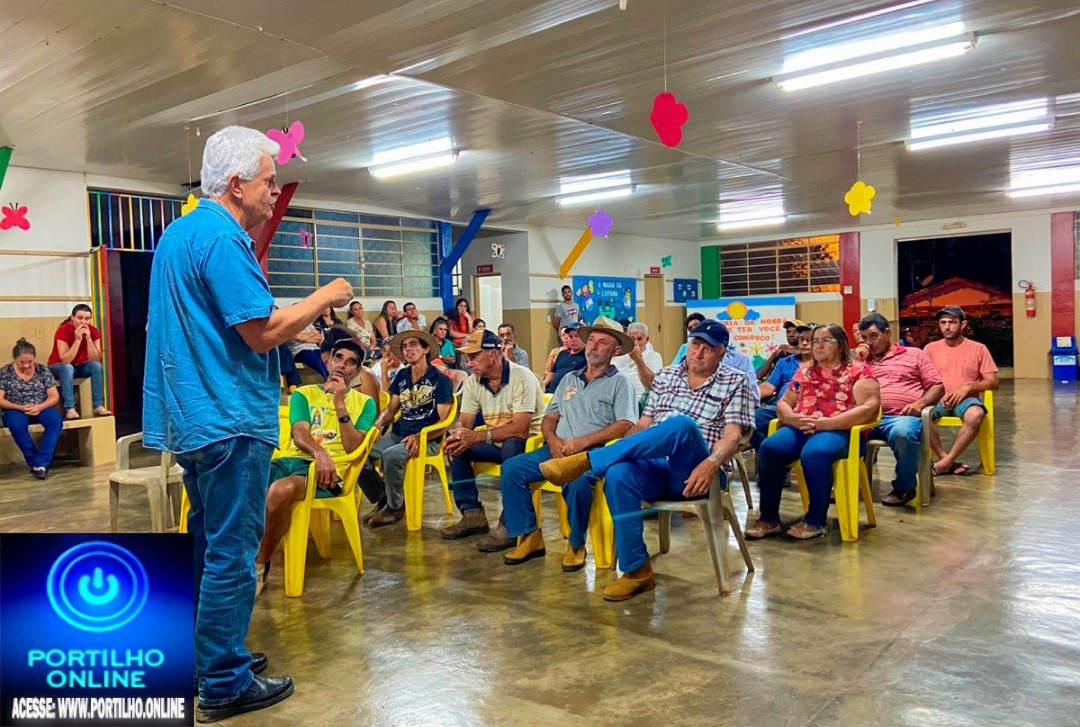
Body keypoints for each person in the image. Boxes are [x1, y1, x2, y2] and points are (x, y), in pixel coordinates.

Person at [144, 125, 354, 721]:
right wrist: (322, 297)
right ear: (235, 184)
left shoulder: (179, 235)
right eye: (267, 181)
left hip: (193, 417)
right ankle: (224, 682)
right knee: (234, 552)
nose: (272, 192)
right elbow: (259, 332)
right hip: (229, 418)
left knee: (207, 542)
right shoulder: (223, 238)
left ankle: (209, 654)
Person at [539, 320, 755, 602]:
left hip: (698, 471)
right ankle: (636, 569)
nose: (699, 353)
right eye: (695, 345)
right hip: (656, 464)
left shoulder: (735, 381)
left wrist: (712, 462)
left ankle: (589, 461)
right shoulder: (665, 377)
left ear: (722, 353)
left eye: (709, 349)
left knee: (681, 426)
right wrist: (626, 446)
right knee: (619, 473)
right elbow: (642, 425)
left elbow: (733, 435)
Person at [500, 318, 637, 569]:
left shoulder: (621, 383)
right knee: (512, 468)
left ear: (615, 351)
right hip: (555, 449)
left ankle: (576, 544)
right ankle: (530, 537)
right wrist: (552, 441)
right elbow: (550, 419)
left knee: (578, 481)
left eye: (602, 342)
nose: (593, 347)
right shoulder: (569, 379)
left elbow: (625, 424)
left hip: (591, 454)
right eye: (592, 340)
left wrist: (581, 443)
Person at [254, 339, 377, 594]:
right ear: (328, 360)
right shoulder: (303, 394)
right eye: (338, 358)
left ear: (357, 371)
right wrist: (319, 452)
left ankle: (259, 565)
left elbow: (354, 448)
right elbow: (299, 433)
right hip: (292, 460)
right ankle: (231, 561)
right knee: (241, 485)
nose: (342, 365)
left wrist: (340, 404)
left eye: (351, 362)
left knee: (280, 491)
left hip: (334, 473)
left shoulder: (365, 404)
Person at [746, 324, 880, 540]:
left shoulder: (858, 371)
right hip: (802, 427)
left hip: (841, 431)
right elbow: (784, 403)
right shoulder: (805, 371)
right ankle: (769, 519)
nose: (818, 346)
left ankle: (815, 520)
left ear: (841, 344)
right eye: (815, 341)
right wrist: (792, 418)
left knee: (814, 453)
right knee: (769, 448)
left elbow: (869, 409)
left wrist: (826, 424)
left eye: (825, 341)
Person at [441, 329, 545, 542]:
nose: (469, 363)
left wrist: (477, 436)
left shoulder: (522, 377)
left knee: (512, 444)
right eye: (467, 357)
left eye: (473, 356)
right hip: (494, 440)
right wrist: (458, 433)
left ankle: (510, 523)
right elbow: (466, 421)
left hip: (527, 445)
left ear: (494, 354)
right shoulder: (473, 382)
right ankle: (472, 515)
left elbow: (520, 428)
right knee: (457, 446)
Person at [365, 330, 454, 527]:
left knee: (391, 456)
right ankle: (385, 499)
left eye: (413, 345)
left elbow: (443, 422)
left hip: (427, 439)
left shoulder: (440, 380)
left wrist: (419, 435)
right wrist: (377, 426)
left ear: (426, 350)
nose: (408, 349)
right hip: (399, 434)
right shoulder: (402, 376)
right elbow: (391, 410)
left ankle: (395, 507)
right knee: (363, 454)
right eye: (405, 347)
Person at [856, 313, 944, 507]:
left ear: (887, 333)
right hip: (864, 417)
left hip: (900, 416)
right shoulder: (859, 361)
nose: (868, 343)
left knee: (903, 433)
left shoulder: (914, 355)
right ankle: (848, 485)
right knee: (836, 433)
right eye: (864, 338)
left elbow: (937, 386)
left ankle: (904, 488)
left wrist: (920, 404)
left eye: (873, 336)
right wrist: (857, 364)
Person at [922, 306, 999, 476]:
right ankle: (946, 461)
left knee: (976, 415)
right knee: (919, 415)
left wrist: (967, 388)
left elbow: (993, 382)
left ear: (963, 325)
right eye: (943, 322)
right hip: (937, 399)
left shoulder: (978, 348)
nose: (947, 327)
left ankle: (944, 463)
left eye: (952, 322)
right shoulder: (930, 349)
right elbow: (919, 377)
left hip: (967, 400)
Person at [0, 338, 63, 479]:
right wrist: (20, 407)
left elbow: (54, 396)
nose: (27, 366)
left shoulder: (42, 371)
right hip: (15, 408)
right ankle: (36, 462)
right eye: (22, 362)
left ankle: (41, 463)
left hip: (40, 407)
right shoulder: (5, 372)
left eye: (30, 362)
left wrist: (40, 406)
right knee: (16, 425)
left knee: (55, 421)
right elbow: (0, 399)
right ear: (15, 359)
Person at [751, 323, 814, 450]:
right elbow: (768, 387)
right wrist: (745, 396)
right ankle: (770, 451)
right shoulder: (785, 362)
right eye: (802, 340)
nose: (804, 343)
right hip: (779, 407)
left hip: (807, 409)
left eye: (809, 340)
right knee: (746, 420)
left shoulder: (822, 364)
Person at [47, 304, 111, 419]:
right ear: (72, 317)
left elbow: (95, 358)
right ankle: (70, 408)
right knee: (68, 368)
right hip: (58, 366)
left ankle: (98, 405)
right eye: (80, 318)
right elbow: (66, 360)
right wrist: (77, 340)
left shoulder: (93, 331)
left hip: (79, 366)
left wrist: (88, 339)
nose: (83, 322)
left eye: (87, 319)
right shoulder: (63, 330)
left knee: (96, 366)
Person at [612, 321, 663, 408]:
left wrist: (638, 359)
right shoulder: (619, 355)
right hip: (617, 398)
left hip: (640, 402)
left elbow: (652, 384)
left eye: (639, 339)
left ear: (646, 340)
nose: (635, 343)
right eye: (632, 338)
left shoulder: (654, 357)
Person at [544, 323, 586, 393]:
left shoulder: (586, 357)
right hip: (551, 393)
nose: (573, 339)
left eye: (577, 336)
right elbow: (553, 373)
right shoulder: (562, 354)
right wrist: (543, 385)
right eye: (570, 336)